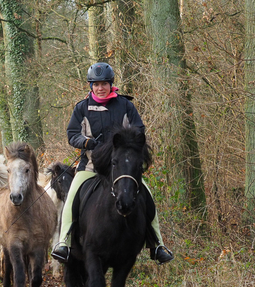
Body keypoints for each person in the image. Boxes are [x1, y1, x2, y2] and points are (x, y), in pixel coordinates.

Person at [50, 62, 174, 264]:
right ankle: (64, 242)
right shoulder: (81, 108)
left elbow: (139, 130)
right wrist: (86, 142)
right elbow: (72, 134)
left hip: (122, 167)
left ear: (111, 84)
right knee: (72, 197)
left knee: (147, 194)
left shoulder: (125, 106)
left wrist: (125, 140)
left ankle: (157, 244)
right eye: (96, 84)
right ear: (91, 86)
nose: (100, 88)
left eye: (104, 84)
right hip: (91, 166)